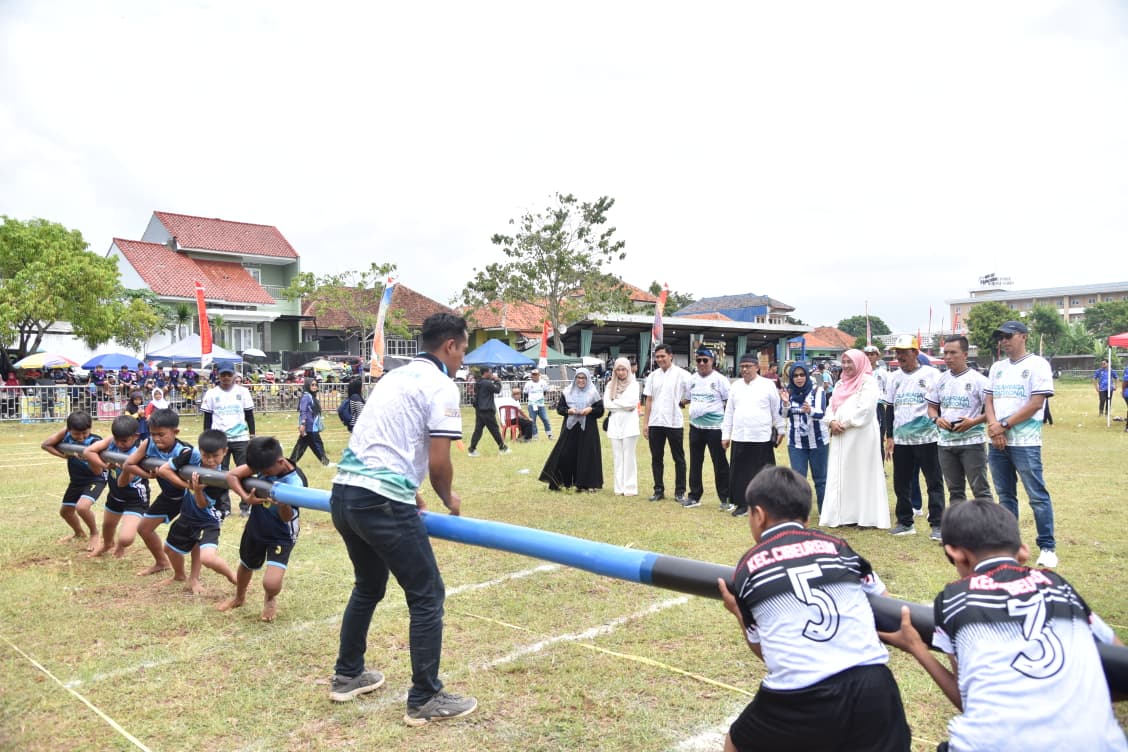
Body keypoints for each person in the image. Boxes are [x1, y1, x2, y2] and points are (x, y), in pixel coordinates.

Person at [879, 500, 1126, 752]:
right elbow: (1120, 659)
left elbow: (968, 699)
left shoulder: (954, 598)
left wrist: (916, 647)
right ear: (1023, 551)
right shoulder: (1057, 585)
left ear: (954, 553)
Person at [328, 312, 478, 726]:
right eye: (463, 349)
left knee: (368, 585)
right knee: (428, 596)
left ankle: (348, 674)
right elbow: (438, 460)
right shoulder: (441, 385)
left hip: (344, 494)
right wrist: (448, 498)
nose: (463, 359)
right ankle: (425, 698)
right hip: (380, 501)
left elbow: (384, 438)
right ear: (450, 346)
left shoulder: (394, 377)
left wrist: (413, 493)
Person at [716, 466, 911, 752]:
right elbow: (884, 599)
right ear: (806, 518)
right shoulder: (838, 546)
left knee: (735, 744)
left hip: (800, 694)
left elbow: (765, 652)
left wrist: (738, 614)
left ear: (758, 515)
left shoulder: (747, 567)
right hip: (874, 684)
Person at [984, 320, 1059, 568]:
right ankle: (1009, 545)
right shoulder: (997, 367)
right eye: (1000, 337)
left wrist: (1003, 426)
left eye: (1008, 336)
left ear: (1023, 337)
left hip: (1026, 442)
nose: (1003, 341)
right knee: (1005, 495)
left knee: (1036, 495)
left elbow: (1036, 404)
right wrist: (995, 429)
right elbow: (989, 401)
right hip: (998, 442)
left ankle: (1047, 546)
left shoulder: (1038, 365)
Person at [222, 436, 304, 621]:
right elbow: (231, 475)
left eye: (265, 472)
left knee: (271, 583)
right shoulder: (263, 462)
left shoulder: (295, 484)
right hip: (256, 526)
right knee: (246, 564)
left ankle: (270, 598)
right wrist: (245, 497)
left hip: (281, 533)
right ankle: (239, 597)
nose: (262, 475)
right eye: (258, 471)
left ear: (280, 462)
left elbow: (287, 518)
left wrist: (283, 505)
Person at [157, 429, 238, 594]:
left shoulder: (218, 476)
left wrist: (198, 490)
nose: (209, 461)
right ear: (199, 450)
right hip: (188, 513)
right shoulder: (192, 454)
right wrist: (188, 485)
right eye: (205, 456)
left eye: (215, 456)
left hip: (208, 518)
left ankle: (233, 577)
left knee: (207, 557)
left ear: (225, 452)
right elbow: (164, 470)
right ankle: (180, 576)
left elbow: (203, 505)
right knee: (169, 549)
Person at [124, 408, 200, 576]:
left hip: (188, 498)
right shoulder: (148, 443)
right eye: (153, 434)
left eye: (161, 434)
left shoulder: (185, 452)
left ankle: (191, 576)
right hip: (169, 496)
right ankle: (162, 562)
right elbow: (129, 464)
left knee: (191, 536)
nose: (157, 439)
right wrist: (148, 475)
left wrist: (182, 484)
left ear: (176, 432)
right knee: (144, 528)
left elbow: (192, 482)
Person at [883, 335, 945, 540]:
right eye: (897, 352)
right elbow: (890, 408)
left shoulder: (932, 375)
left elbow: (939, 405)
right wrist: (889, 436)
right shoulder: (894, 378)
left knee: (933, 481)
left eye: (904, 352)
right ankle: (905, 522)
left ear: (915, 353)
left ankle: (937, 524)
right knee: (901, 482)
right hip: (902, 440)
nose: (899, 356)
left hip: (928, 438)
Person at [820, 350, 890, 528]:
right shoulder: (840, 384)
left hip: (861, 436)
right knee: (844, 474)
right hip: (840, 435)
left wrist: (844, 423)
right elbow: (831, 406)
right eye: (843, 362)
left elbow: (865, 410)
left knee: (862, 474)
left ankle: (867, 518)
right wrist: (832, 421)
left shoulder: (868, 381)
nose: (846, 366)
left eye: (850, 362)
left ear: (859, 362)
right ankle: (846, 516)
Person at [927, 335, 992, 504]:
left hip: (972, 443)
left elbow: (993, 410)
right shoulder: (941, 379)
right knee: (955, 492)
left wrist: (974, 422)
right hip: (946, 444)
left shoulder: (980, 380)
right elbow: (932, 407)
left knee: (980, 491)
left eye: (953, 353)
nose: (947, 357)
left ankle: (987, 529)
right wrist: (936, 419)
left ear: (965, 354)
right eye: (945, 353)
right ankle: (958, 529)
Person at [721, 353, 784, 518]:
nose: (745, 369)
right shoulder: (735, 386)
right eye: (742, 366)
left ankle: (765, 505)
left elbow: (775, 409)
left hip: (761, 437)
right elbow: (729, 412)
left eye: (748, 366)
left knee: (763, 473)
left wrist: (781, 428)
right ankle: (742, 505)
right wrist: (725, 434)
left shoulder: (767, 385)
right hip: (740, 436)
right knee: (739, 473)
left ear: (757, 367)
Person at [84, 415, 155, 560]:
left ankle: (121, 546)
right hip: (115, 495)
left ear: (135, 436)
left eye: (123, 441)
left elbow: (122, 483)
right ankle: (107, 545)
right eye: (116, 439)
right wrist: (105, 465)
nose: (119, 444)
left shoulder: (137, 453)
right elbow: (88, 452)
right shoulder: (113, 441)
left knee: (126, 539)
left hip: (135, 499)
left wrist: (126, 468)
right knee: (108, 526)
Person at [41, 411, 105, 549]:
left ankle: (94, 534)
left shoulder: (95, 441)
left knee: (82, 507)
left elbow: (98, 471)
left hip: (96, 478)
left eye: (85, 433)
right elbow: (46, 445)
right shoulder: (66, 434)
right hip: (76, 481)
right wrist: (64, 456)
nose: (81, 437)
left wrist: (89, 457)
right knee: (65, 512)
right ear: (69, 430)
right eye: (76, 434)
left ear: (90, 429)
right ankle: (79, 533)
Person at [200, 364, 256, 513]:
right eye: (223, 375)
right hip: (220, 440)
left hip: (241, 438)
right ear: (218, 375)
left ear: (234, 375)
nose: (226, 378)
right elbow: (207, 418)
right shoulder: (211, 394)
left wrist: (252, 435)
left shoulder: (243, 392)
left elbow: (249, 415)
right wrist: (207, 438)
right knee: (221, 474)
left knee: (244, 472)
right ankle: (224, 507)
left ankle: (246, 506)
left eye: (229, 375)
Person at [539, 368, 605, 493]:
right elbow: (560, 408)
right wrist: (568, 411)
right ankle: (562, 482)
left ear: (587, 379)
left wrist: (590, 409)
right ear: (575, 379)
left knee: (586, 455)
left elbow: (600, 410)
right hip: (570, 428)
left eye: (583, 378)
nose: (581, 380)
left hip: (587, 429)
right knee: (564, 453)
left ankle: (585, 484)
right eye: (578, 378)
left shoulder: (593, 392)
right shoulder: (567, 392)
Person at [643, 343, 691, 502]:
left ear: (671, 356)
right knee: (656, 458)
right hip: (656, 422)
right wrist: (645, 423)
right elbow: (648, 400)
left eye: (663, 356)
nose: (660, 359)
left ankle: (680, 491)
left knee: (679, 458)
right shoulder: (652, 376)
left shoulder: (683, 374)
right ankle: (658, 490)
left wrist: (682, 402)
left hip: (674, 422)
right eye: (657, 357)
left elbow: (693, 394)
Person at [685, 347, 731, 510]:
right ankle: (694, 496)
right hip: (696, 427)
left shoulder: (721, 380)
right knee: (695, 462)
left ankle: (726, 498)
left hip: (715, 428)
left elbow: (729, 404)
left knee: (720, 464)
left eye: (705, 360)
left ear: (712, 361)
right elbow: (688, 399)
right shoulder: (692, 379)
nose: (702, 363)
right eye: (699, 360)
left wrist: (727, 429)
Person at [781, 362, 829, 514]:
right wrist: (786, 403)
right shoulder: (788, 391)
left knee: (820, 480)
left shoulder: (817, 391)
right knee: (798, 479)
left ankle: (824, 512)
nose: (799, 378)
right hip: (796, 442)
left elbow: (821, 413)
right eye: (795, 375)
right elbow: (783, 414)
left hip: (818, 441)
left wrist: (810, 410)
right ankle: (799, 513)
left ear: (807, 376)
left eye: (802, 375)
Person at [603, 357, 641, 496]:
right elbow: (607, 404)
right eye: (618, 369)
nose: (620, 372)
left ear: (628, 369)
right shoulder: (610, 385)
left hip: (630, 425)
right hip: (615, 424)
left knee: (629, 456)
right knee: (617, 457)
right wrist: (622, 404)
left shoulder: (634, 384)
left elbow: (631, 403)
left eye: (623, 369)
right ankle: (619, 488)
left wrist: (616, 402)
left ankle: (630, 488)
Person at [467, 366, 509, 457]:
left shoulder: (478, 382)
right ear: (485, 372)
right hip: (487, 411)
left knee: (478, 431)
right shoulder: (487, 383)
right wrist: (497, 381)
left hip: (479, 410)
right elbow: (497, 390)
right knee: (494, 430)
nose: (491, 373)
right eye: (490, 372)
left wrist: (493, 381)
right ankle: (502, 448)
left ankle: (472, 449)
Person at [289, 377, 332, 467]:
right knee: (317, 445)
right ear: (307, 385)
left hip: (311, 426)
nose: (315, 386)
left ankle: (290, 464)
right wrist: (303, 424)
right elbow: (303, 411)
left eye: (316, 385)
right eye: (312, 385)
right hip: (309, 426)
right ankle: (326, 463)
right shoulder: (306, 396)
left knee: (301, 446)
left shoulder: (311, 396)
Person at [523, 368, 553, 439]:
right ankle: (535, 436)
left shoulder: (543, 382)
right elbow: (525, 394)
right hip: (532, 405)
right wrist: (531, 400)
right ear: (531, 375)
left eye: (536, 374)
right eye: (533, 374)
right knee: (532, 421)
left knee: (545, 419)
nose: (535, 376)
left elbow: (545, 392)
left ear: (539, 375)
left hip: (541, 405)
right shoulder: (528, 383)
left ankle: (549, 434)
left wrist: (540, 399)